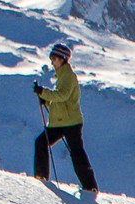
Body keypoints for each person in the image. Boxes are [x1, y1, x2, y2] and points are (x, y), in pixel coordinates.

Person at [33, 42, 99, 194]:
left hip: (70, 123)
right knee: (47, 144)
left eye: (54, 58)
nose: (52, 62)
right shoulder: (63, 76)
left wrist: (43, 93)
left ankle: (89, 186)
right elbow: (61, 98)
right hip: (63, 122)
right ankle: (89, 186)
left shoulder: (69, 76)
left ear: (62, 59)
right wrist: (47, 100)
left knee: (75, 152)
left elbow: (62, 96)